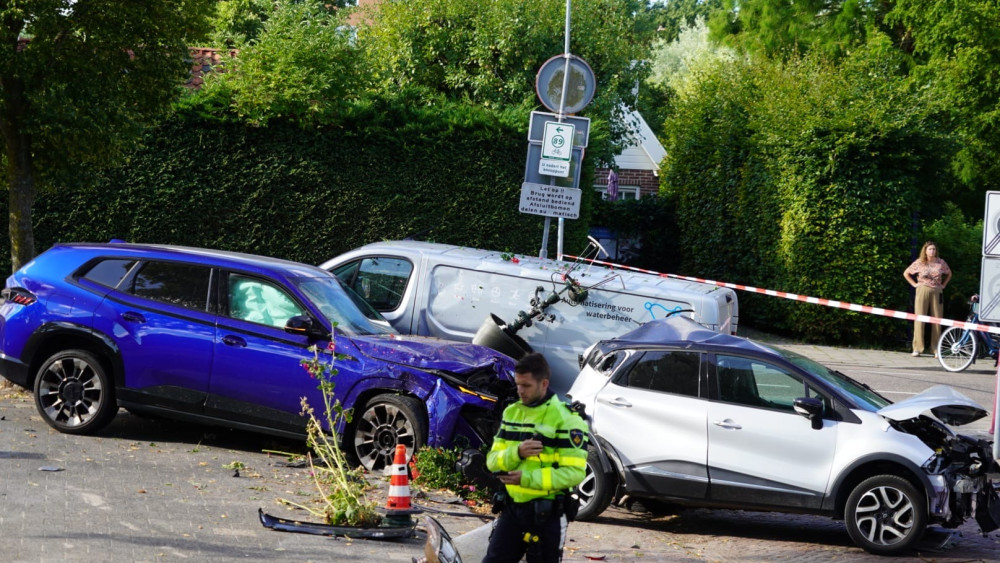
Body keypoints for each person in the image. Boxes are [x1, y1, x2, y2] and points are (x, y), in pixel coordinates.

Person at [483, 353, 589, 563]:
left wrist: (526, 478)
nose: (520, 390)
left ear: (544, 384)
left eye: (527, 385)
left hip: (547, 514)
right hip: (512, 508)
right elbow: (492, 461)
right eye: (518, 384)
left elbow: (575, 473)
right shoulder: (512, 413)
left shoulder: (567, 420)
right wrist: (517, 452)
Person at [903, 241, 951, 357]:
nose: (932, 251)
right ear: (925, 250)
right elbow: (906, 273)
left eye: (934, 249)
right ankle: (917, 348)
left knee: (937, 319)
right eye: (930, 249)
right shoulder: (920, 262)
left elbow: (949, 273)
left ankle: (935, 349)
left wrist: (943, 285)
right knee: (919, 318)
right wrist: (914, 284)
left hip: (936, 290)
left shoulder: (941, 262)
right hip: (922, 289)